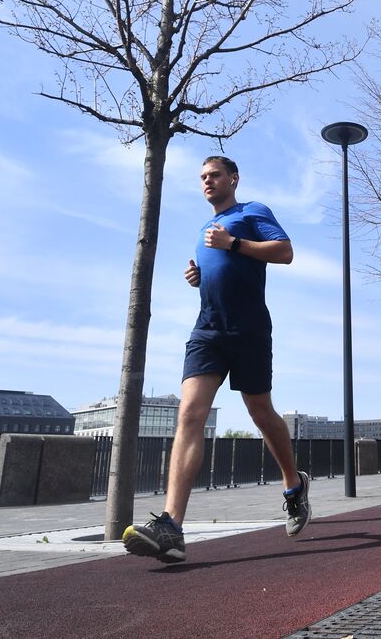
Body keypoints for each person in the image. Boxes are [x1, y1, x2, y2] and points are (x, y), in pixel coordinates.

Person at [123, 155, 309, 563]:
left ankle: (294, 484)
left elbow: (285, 252)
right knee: (189, 413)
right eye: (203, 177)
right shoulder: (202, 230)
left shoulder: (252, 212)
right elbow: (220, 271)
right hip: (206, 330)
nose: (207, 182)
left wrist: (235, 244)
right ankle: (172, 526)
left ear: (233, 178)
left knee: (260, 411)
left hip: (249, 329)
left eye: (215, 175)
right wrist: (198, 277)